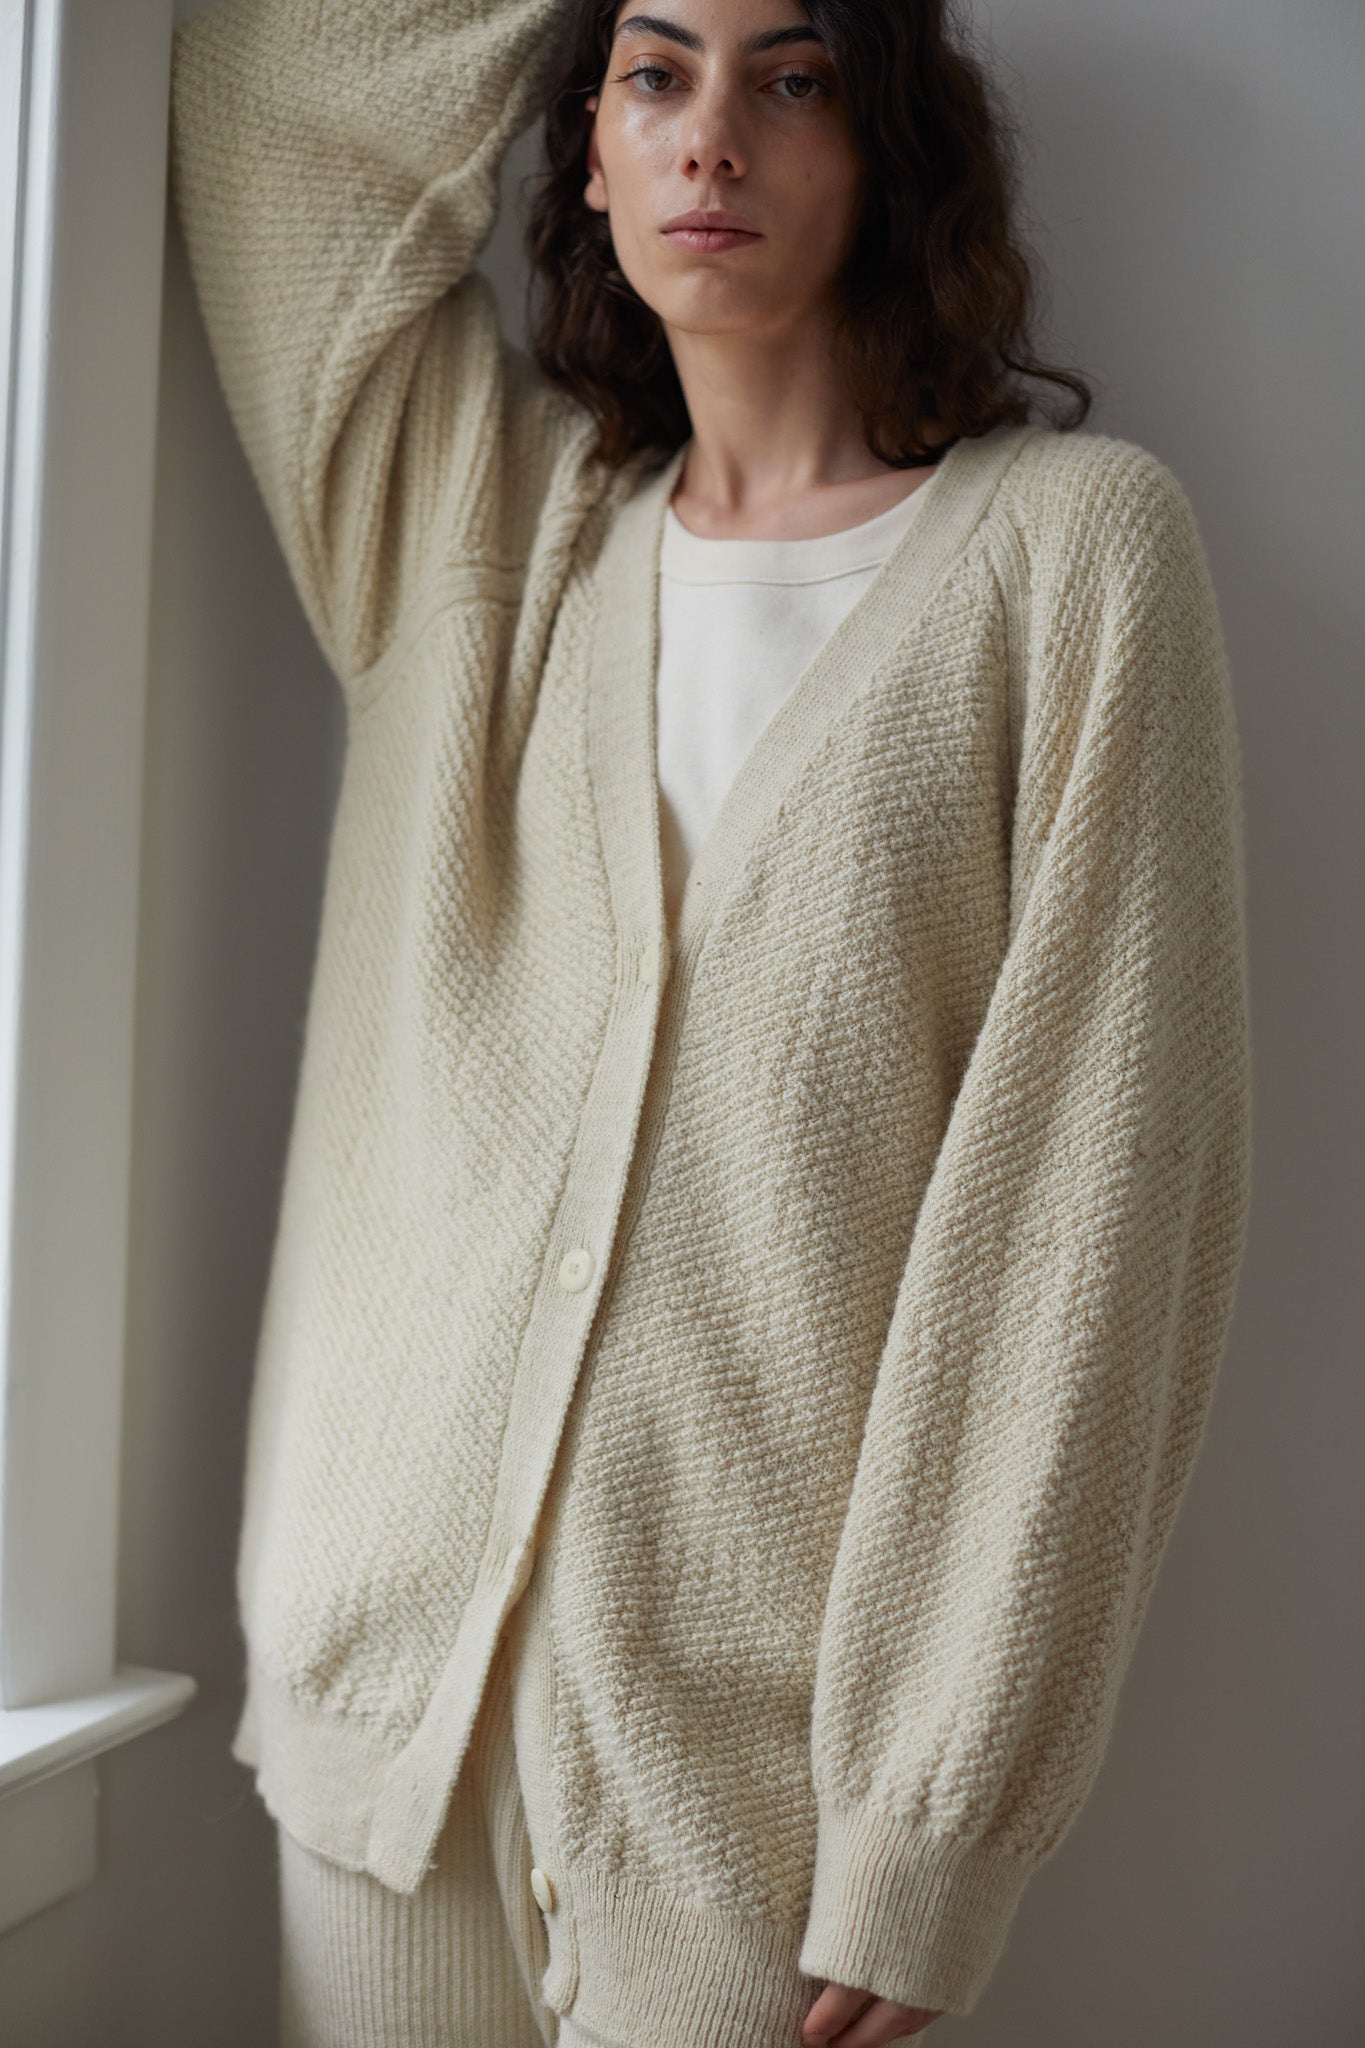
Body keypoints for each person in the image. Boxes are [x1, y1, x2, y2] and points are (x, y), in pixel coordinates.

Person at [167, 1, 1252, 2044]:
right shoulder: (480, 533)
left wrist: (929, 1810)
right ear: (580, 150)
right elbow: (268, 94)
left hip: (752, 1792)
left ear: (886, 144)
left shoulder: (1068, 558)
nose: (712, 139)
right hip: (379, 1725)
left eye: (793, 76)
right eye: (652, 76)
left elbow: (1092, 1227)